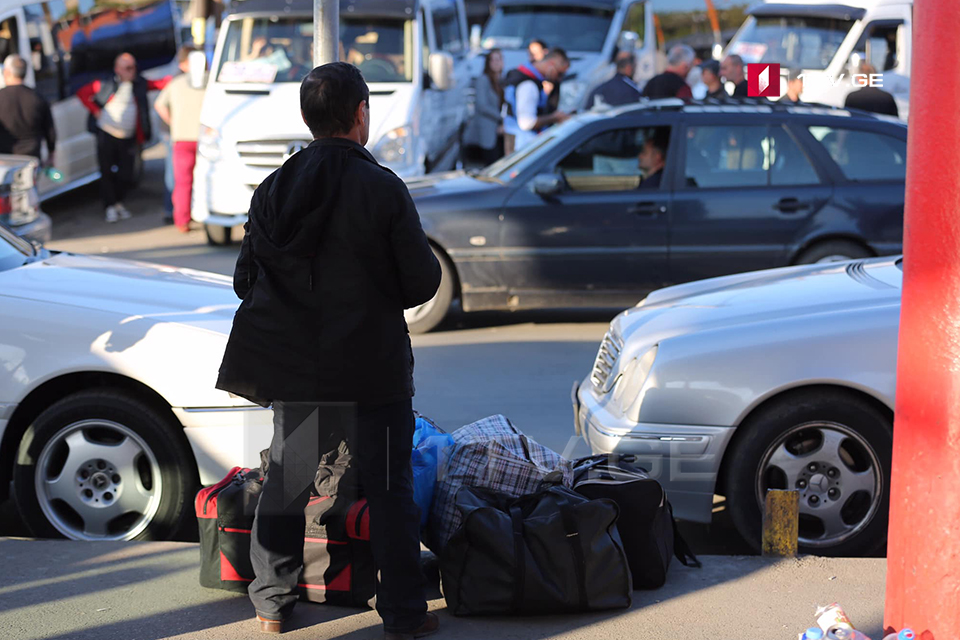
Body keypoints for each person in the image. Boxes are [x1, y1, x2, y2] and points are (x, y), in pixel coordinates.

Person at [216, 61, 442, 639]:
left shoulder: (273, 188)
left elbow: (247, 282)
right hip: (375, 370)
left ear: (307, 118)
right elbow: (421, 284)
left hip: (297, 369)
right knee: (391, 492)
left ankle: (270, 603)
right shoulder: (384, 187)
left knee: (288, 484)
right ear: (360, 114)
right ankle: (403, 614)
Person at [77, 53, 169, 223]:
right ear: (117, 69)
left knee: (127, 173)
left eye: (133, 67)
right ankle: (110, 206)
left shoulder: (139, 83)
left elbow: (160, 83)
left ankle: (118, 202)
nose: (132, 71)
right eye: (127, 68)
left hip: (129, 136)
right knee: (106, 172)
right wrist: (95, 110)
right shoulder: (105, 83)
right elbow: (82, 93)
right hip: (107, 133)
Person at [155, 46, 206, 233]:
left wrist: (173, 121)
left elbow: (159, 104)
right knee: (205, 179)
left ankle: (182, 220)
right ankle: (203, 215)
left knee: (182, 181)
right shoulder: (208, 81)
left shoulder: (175, 83)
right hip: (204, 138)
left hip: (181, 138)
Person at [502, 48, 570, 154]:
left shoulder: (524, 77)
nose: (559, 79)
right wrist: (555, 118)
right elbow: (527, 123)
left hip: (517, 144)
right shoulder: (528, 85)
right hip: (522, 148)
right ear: (551, 64)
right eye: (560, 73)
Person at [0, 55, 56, 162]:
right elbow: (50, 132)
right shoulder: (37, 97)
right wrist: (51, 154)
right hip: (32, 158)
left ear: (6, 72)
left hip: (5, 159)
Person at [462, 48, 504, 166]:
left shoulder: (501, 80)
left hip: (499, 131)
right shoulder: (483, 79)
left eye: (499, 59)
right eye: (493, 60)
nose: (496, 63)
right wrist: (501, 118)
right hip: (487, 130)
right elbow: (482, 105)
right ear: (488, 63)